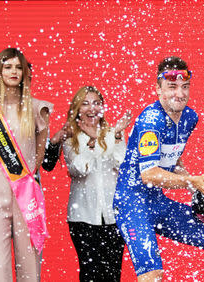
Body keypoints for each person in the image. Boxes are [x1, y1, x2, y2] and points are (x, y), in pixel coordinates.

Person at [114, 56, 204, 281]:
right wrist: (192, 182)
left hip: (157, 203)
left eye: (184, 87)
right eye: (172, 87)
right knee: (152, 274)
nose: (180, 94)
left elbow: (173, 160)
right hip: (132, 205)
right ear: (158, 89)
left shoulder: (189, 117)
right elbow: (148, 174)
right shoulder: (151, 121)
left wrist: (195, 188)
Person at [0, 48, 52, 281]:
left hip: (26, 197)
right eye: (8, 67)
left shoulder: (38, 109)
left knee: (30, 264)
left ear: (25, 72)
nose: (13, 72)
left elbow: (38, 155)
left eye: (18, 67)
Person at [62, 86, 132, 282]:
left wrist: (117, 137)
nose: (91, 108)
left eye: (96, 103)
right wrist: (92, 143)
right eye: (85, 103)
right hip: (83, 218)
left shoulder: (113, 133)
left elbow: (122, 165)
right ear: (77, 109)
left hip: (113, 218)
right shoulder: (70, 137)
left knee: (112, 275)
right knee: (90, 275)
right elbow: (79, 170)